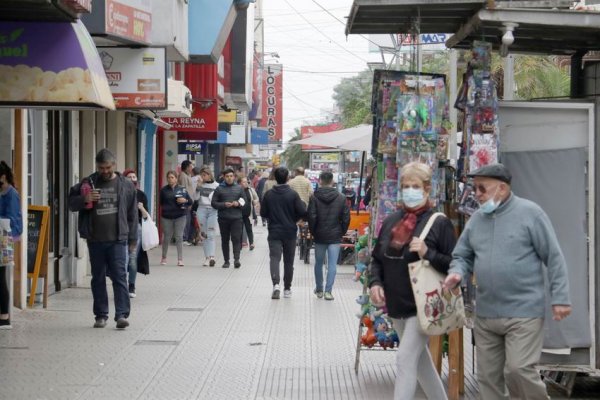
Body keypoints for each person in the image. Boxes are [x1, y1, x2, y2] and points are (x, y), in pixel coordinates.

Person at [444, 163, 571, 400]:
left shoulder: (531, 214)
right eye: (475, 189)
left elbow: (553, 257)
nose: (477, 195)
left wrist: (560, 298)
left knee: (519, 370)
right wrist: (457, 272)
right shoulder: (476, 220)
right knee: (487, 378)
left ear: (501, 189)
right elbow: (462, 255)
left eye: (482, 188)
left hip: (524, 311)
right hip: (487, 313)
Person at [369, 162, 455, 400]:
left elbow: (455, 264)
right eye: (405, 186)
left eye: (415, 186)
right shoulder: (392, 221)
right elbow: (377, 259)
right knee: (421, 364)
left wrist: (428, 252)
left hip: (423, 305)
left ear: (427, 189)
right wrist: (376, 283)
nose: (409, 190)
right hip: (397, 304)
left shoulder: (439, 222)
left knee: (405, 358)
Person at [68, 149, 137, 329]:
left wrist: (133, 239)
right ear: (96, 166)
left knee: (119, 276)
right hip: (95, 239)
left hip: (118, 239)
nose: (104, 171)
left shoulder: (126, 185)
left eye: (107, 167)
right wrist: (85, 198)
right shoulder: (88, 182)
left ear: (114, 165)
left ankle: (121, 315)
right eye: (101, 168)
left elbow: (132, 215)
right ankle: (101, 315)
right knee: (97, 278)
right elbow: (71, 203)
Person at [260, 167, 306, 299]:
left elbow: (263, 213)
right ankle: (287, 288)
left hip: (274, 231)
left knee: (274, 258)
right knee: (288, 261)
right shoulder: (293, 194)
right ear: (287, 178)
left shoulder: (269, 194)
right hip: (290, 232)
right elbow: (302, 212)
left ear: (274, 177)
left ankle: (275, 285)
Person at [307, 171, 350, 301]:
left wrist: (314, 232)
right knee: (332, 265)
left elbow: (311, 217)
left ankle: (319, 289)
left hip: (320, 235)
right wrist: (341, 232)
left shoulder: (314, 197)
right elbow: (346, 218)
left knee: (318, 263)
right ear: (332, 181)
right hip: (335, 235)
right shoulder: (341, 197)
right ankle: (328, 292)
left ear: (320, 180)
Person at [0, 161, 22, 330]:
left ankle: (4, 316)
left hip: (3, 240)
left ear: (4, 177)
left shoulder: (11, 194)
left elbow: (13, 220)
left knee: (1, 277)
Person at [122, 169, 149, 298]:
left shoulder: (141, 195)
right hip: (121, 228)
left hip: (136, 228)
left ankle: (131, 285)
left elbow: (146, 217)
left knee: (132, 259)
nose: (132, 179)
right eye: (129, 177)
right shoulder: (120, 194)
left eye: (134, 177)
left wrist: (141, 207)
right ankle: (121, 286)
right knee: (122, 259)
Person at [211, 168, 245, 269]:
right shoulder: (219, 189)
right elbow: (213, 203)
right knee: (225, 240)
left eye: (231, 176)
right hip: (223, 218)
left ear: (234, 177)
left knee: (236, 239)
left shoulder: (239, 188)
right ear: (224, 177)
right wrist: (224, 204)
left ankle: (236, 260)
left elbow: (245, 202)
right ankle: (226, 261)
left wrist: (237, 203)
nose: (229, 178)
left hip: (236, 218)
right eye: (227, 176)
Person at [159, 171, 192, 267]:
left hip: (180, 216)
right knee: (167, 238)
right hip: (167, 217)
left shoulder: (182, 189)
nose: (170, 179)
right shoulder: (163, 190)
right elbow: (161, 202)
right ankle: (164, 257)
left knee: (179, 237)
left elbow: (190, 201)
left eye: (172, 177)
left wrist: (184, 200)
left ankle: (180, 259)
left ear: (176, 179)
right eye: (168, 177)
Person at [196, 167, 219, 267]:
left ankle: (212, 257)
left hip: (213, 210)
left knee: (211, 234)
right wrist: (198, 187)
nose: (202, 177)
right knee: (204, 234)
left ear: (209, 175)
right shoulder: (200, 185)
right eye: (201, 175)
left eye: (204, 175)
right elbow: (196, 198)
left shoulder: (217, 186)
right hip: (201, 209)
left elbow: (219, 198)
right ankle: (207, 258)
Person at [238, 177, 259, 250]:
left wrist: (255, 201)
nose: (246, 183)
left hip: (248, 214)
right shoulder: (237, 190)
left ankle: (251, 243)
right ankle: (239, 244)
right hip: (239, 214)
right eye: (244, 182)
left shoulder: (251, 190)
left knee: (249, 229)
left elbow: (256, 198)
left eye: (246, 182)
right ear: (240, 183)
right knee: (239, 229)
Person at [178, 160, 195, 246]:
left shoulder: (187, 175)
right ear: (187, 167)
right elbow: (183, 189)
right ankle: (183, 238)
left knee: (188, 220)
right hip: (186, 202)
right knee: (185, 221)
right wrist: (186, 202)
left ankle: (185, 237)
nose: (192, 168)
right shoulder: (183, 176)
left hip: (189, 202)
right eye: (191, 166)